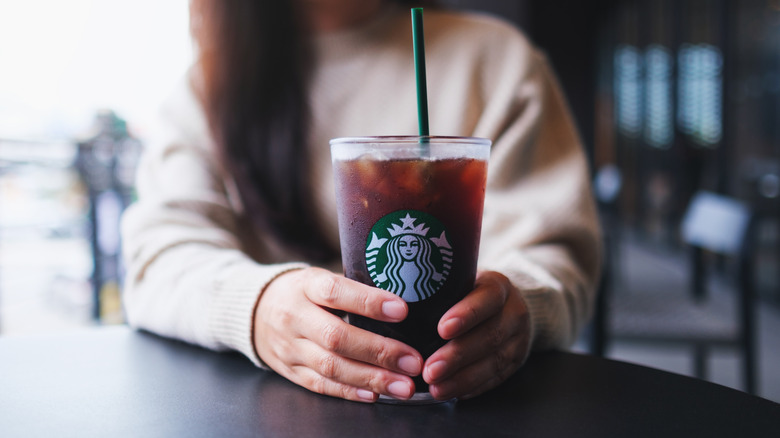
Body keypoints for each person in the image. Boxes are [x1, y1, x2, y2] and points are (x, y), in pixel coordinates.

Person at [121, 0, 601, 403]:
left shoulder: (495, 61)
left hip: (457, 404)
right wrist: (259, 308)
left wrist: (517, 309)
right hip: (269, 408)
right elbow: (158, 258)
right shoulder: (210, 83)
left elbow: (554, 254)